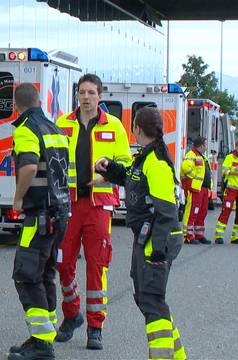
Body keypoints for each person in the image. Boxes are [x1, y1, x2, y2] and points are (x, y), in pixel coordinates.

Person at [94, 107, 186, 360]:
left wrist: (157, 252)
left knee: (152, 301)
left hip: (156, 238)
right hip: (147, 237)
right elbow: (133, 180)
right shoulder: (145, 157)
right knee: (147, 299)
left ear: (136, 128)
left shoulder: (155, 162)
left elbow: (167, 211)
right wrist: (110, 169)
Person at [54, 74, 132, 349]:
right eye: (82, 92)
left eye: (91, 92)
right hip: (69, 203)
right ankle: (72, 312)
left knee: (97, 266)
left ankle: (95, 327)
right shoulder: (63, 123)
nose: (86, 97)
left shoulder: (114, 126)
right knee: (63, 263)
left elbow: (125, 165)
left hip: (99, 206)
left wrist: (107, 170)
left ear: (100, 96)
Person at [7, 83, 70, 360]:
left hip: (40, 214)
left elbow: (30, 165)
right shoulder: (55, 129)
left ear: (15, 105)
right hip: (60, 213)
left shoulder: (25, 129)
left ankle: (41, 343)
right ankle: (45, 335)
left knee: (26, 274)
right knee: (45, 273)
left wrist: (18, 198)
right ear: (40, 101)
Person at [214, 140, 238, 245]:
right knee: (226, 211)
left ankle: (236, 237)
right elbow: (225, 171)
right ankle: (219, 236)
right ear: (236, 146)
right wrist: (237, 172)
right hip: (231, 189)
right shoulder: (230, 157)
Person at [180, 136, 211, 245]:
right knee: (192, 212)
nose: (206, 147)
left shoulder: (201, 156)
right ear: (201, 145)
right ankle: (188, 236)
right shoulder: (191, 155)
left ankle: (199, 235)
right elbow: (185, 167)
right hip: (195, 188)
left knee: (202, 212)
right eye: (205, 144)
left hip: (203, 189)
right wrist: (194, 177)